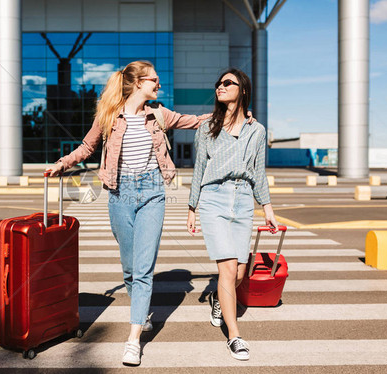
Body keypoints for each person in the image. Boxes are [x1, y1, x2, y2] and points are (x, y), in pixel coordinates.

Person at [45, 60, 213, 366]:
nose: (158, 85)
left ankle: (134, 338)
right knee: (130, 268)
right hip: (119, 194)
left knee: (144, 268)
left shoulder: (159, 114)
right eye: (154, 80)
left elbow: (196, 121)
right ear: (137, 83)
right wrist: (62, 163)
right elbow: (87, 147)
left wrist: (231, 115)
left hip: (152, 193)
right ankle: (141, 310)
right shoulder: (110, 114)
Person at [186, 68, 278, 361]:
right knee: (226, 269)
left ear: (243, 91)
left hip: (243, 201)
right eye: (218, 83)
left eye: (228, 83)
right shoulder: (207, 127)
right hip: (214, 197)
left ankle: (217, 297)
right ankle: (235, 335)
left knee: (238, 272)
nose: (220, 87)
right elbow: (198, 168)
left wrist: (268, 208)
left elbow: (258, 172)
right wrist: (192, 207)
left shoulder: (257, 130)